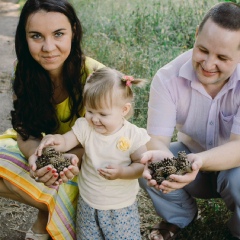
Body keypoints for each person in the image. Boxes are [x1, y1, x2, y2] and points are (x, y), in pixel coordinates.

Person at [0, 0, 105, 239]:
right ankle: (48, 208)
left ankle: (46, 217)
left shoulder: (97, 77)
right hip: (52, 155)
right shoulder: (25, 70)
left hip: (89, 162)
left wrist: (65, 160)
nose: (48, 47)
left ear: (73, 32)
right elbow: (26, 132)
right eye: (36, 36)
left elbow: (107, 143)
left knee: (66, 188)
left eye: (58, 34)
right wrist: (37, 159)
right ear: (24, 38)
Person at [139, 2, 240, 240]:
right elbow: (156, 141)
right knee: (145, 160)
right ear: (196, 34)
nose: (208, 64)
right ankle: (180, 215)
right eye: (203, 50)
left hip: (234, 167)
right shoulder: (167, 77)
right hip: (190, 157)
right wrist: (168, 166)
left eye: (222, 57)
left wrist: (197, 162)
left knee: (237, 179)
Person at [35, 67, 151, 240]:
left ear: (124, 110)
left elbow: (141, 166)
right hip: (88, 202)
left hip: (120, 207)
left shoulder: (132, 135)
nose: (95, 119)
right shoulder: (85, 127)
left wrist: (122, 172)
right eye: (90, 111)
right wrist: (55, 140)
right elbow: (67, 141)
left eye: (103, 114)